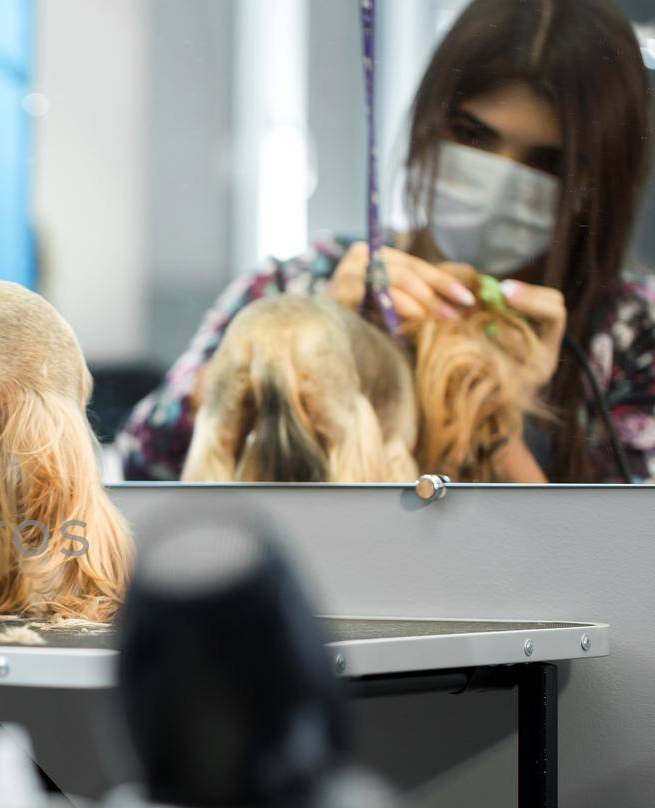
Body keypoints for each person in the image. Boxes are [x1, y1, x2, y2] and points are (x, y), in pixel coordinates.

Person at [119, 0, 654, 485]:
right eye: (473, 135)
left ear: (596, 180)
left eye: (547, 162)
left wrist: (499, 415)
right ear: (429, 121)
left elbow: (621, 572)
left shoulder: (630, 336)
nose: (500, 180)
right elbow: (143, 466)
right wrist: (315, 341)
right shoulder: (300, 280)